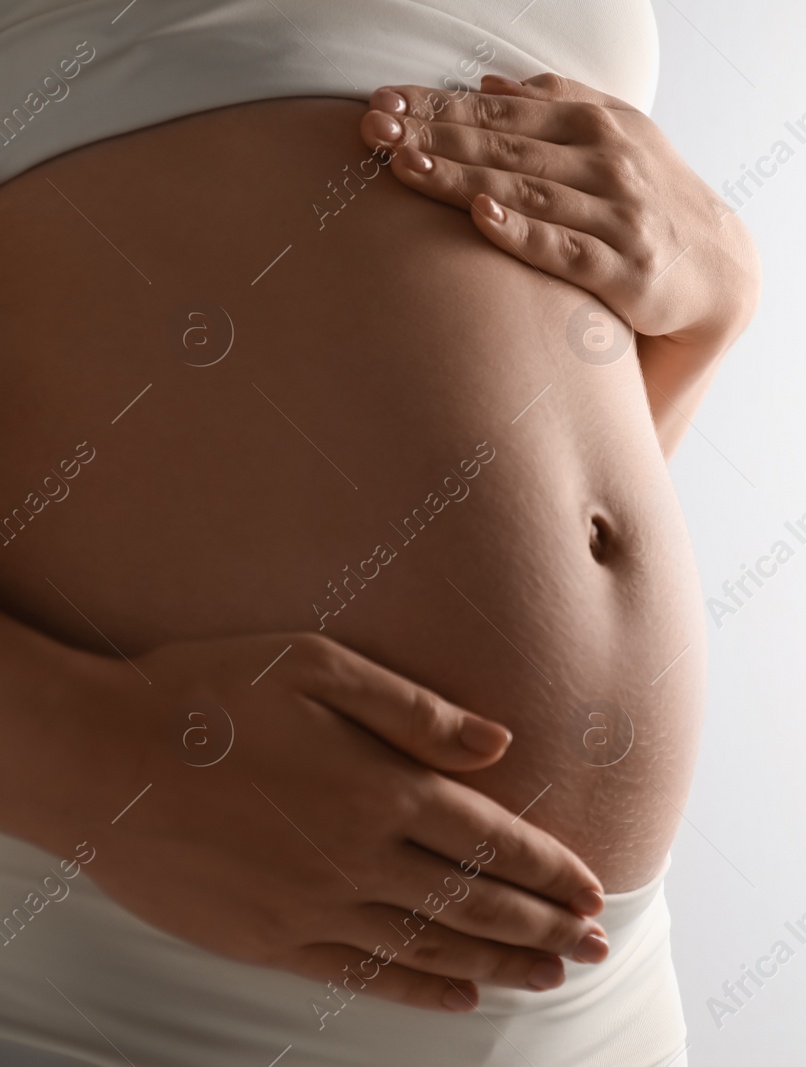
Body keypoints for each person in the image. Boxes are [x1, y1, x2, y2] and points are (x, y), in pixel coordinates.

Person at [0, 1, 758, 1064]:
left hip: (593, 993)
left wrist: (712, 307)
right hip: (136, 970)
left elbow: (486, 436)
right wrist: (84, 761)